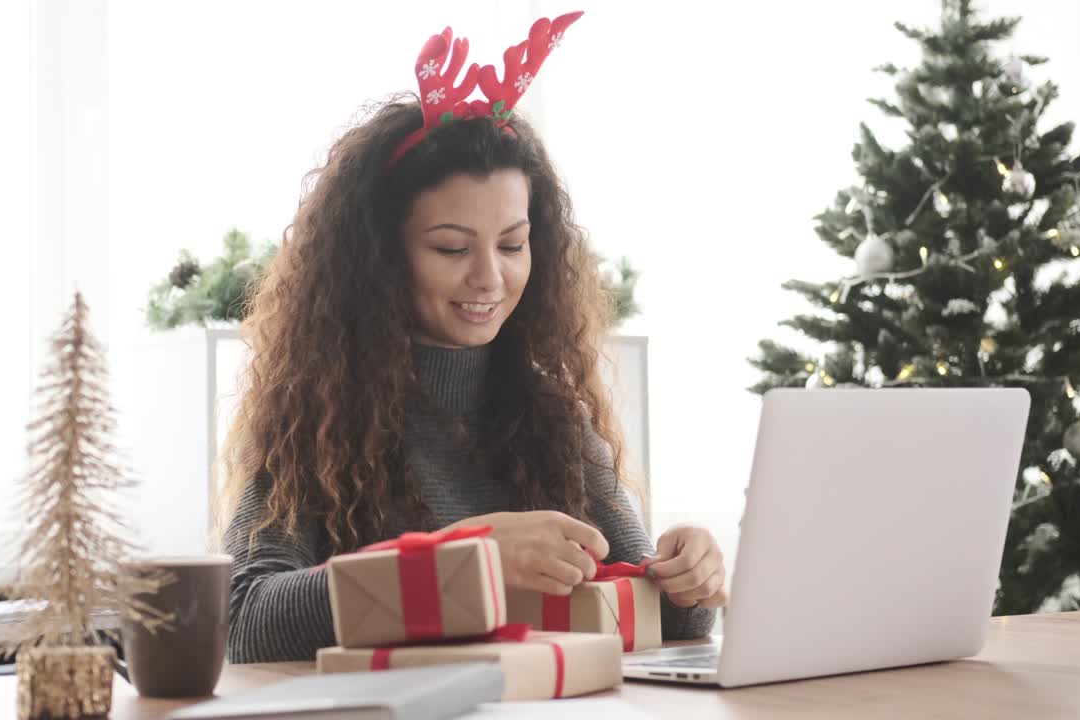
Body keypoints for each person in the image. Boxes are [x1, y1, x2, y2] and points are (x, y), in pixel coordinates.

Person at [218, 12, 727, 663]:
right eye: (452, 248)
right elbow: (246, 621)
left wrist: (689, 577)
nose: (490, 277)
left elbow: (668, 620)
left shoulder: (551, 416)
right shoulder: (320, 420)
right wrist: (458, 560)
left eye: (512, 245)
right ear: (381, 259)